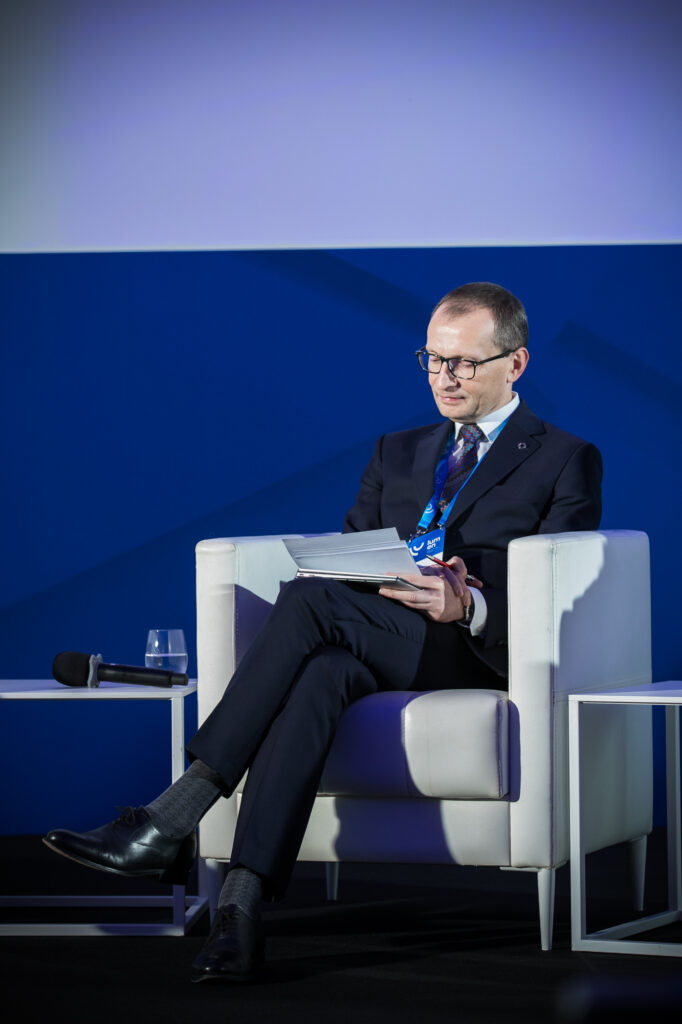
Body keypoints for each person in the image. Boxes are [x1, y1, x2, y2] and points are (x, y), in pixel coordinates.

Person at [44, 282, 602, 983]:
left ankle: (173, 816)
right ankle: (240, 913)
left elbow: (561, 578)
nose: (445, 377)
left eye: (464, 362)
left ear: (514, 363)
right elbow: (352, 556)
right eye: (433, 360)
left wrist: (468, 605)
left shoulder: (563, 456)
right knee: (319, 674)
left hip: (466, 647)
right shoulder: (396, 450)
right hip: (374, 632)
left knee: (309, 602)